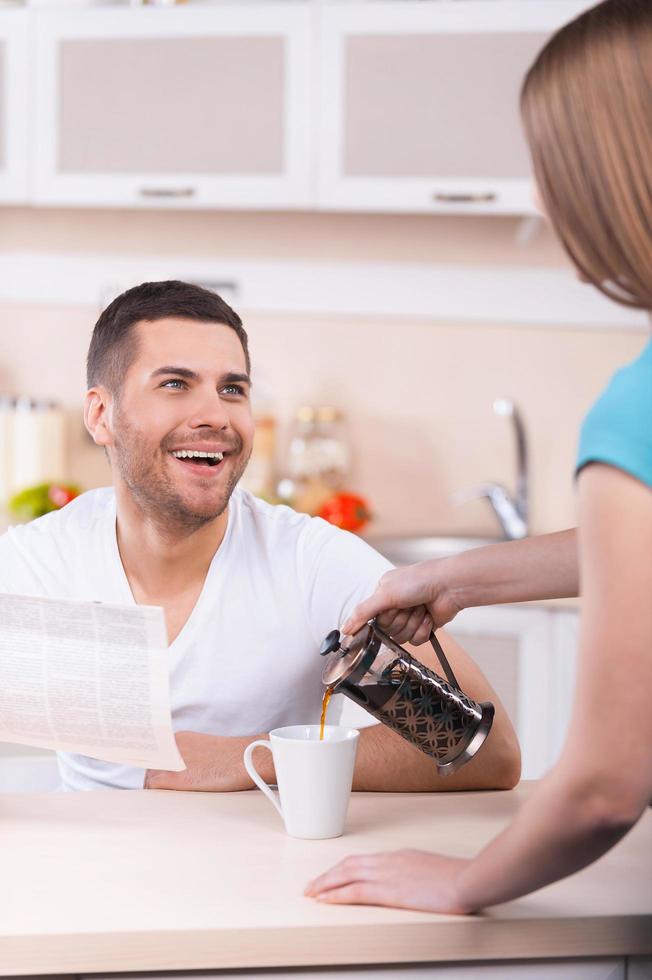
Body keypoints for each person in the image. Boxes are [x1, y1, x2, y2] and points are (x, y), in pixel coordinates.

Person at [305, 0, 652, 913]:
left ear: (609, 174)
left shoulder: (637, 406)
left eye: (548, 169)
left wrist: (467, 880)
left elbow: (609, 782)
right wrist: (467, 577)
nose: (540, 200)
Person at [0, 279, 519, 793]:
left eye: (233, 389)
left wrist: (254, 757)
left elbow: (486, 753)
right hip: (90, 869)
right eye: (175, 384)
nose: (215, 416)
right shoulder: (35, 564)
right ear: (100, 415)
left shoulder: (311, 564)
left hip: (270, 871)